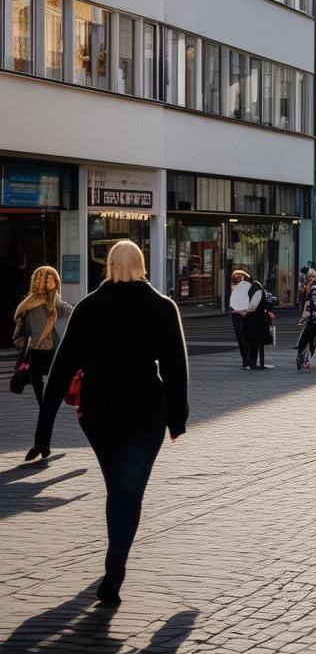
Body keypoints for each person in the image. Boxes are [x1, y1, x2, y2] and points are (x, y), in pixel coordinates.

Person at [26, 241, 188, 606]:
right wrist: (177, 418)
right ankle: (115, 570)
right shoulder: (162, 307)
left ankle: (113, 567)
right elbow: (176, 368)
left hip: (99, 413)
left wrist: (43, 431)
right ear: (143, 265)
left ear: (109, 266)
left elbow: (61, 369)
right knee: (128, 491)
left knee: (117, 486)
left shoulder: (88, 307)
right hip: (146, 412)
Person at [12, 266, 73, 405]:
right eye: (48, 280)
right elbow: (18, 333)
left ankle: (48, 404)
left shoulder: (55, 303)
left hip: (51, 350)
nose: (51, 283)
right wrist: (29, 344)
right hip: (36, 352)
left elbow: (71, 311)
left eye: (53, 280)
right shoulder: (28, 306)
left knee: (56, 381)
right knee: (40, 388)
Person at [228, 270, 265, 371]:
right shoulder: (238, 288)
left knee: (242, 338)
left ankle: (247, 360)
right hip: (242, 315)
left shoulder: (236, 288)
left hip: (240, 315)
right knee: (245, 338)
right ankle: (248, 360)